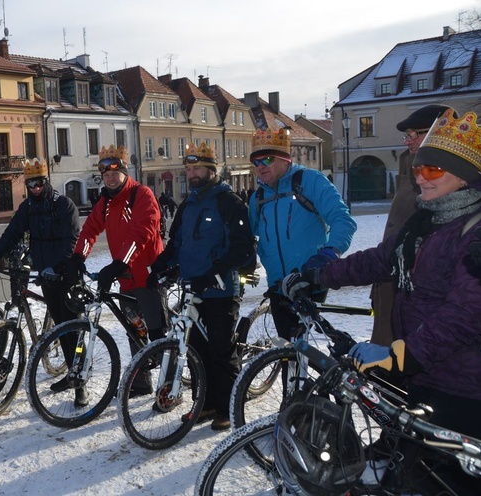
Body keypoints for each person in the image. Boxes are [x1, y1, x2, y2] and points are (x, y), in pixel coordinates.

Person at [282, 108, 481, 495]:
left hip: (466, 388)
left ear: (465, 177)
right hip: (425, 378)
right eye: (418, 170)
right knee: (411, 471)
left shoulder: (476, 232)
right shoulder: (428, 219)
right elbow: (378, 260)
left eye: (433, 171)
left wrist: (398, 356)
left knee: (444, 482)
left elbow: (466, 315)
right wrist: (317, 276)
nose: (421, 178)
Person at [149, 142, 255, 431]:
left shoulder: (228, 201)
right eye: (189, 169)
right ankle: (205, 403)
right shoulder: (188, 204)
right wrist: (159, 266)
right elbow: (176, 244)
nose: (192, 173)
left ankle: (229, 409)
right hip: (193, 288)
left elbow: (242, 247)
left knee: (222, 351)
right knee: (196, 349)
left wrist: (213, 273)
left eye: (197, 168)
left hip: (220, 289)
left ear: (211, 170)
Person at [62, 144, 167, 401]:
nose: (110, 178)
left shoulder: (141, 195)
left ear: (124, 172)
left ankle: (168, 385)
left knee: (157, 333)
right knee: (135, 329)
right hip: (125, 277)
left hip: (147, 274)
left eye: (114, 172)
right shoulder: (106, 201)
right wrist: (78, 256)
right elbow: (89, 231)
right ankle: (142, 383)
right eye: (105, 174)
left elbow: (142, 233)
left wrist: (120, 263)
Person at [0, 159, 81, 396]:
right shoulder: (28, 208)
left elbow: (71, 241)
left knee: (71, 328)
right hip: (45, 275)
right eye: (31, 184)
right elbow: (12, 235)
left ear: (46, 182)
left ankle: (79, 383)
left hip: (65, 275)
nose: (35, 188)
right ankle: (71, 373)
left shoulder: (64, 205)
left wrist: (58, 267)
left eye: (39, 183)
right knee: (61, 329)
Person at [248, 127, 356, 341]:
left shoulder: (309, 181)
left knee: (302, 347)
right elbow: (249, 234)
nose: (261, 166)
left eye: (267, 159)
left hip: (309, 280)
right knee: (288, 352)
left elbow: (343, 220)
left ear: (285, 159)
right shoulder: (258, 197)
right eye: (256, 162)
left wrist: (328, 254)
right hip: (278, 285)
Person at [370, 104, 456, 346]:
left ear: (434, 133)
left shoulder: (446, 178)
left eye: (412, 135)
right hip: (391, 279)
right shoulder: (410, 166)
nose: (407, 141)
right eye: (406, 135)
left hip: (418, 292)